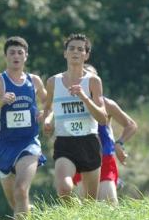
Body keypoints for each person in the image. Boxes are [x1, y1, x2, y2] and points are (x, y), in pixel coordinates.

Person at [0, 36, 47, 220]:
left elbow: (49, 104)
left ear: (26, 56)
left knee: (21, 190)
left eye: (20, 53)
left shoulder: (34, 81)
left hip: (29, 143)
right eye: (12, 52)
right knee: (16, 202)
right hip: (4, 145)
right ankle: (30, 217)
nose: (16, 56)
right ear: (6, 56)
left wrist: (46, 115)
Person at [41, 34, 107, 201]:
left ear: (86, 55)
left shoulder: (93, 81)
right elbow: (48, 109)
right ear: (65, 53)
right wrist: (47, 122)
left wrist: (84, 97)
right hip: (65, 142)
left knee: (90, 202)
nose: (75, 52)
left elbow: (103, 118)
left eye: (80, 49)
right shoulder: (53, 82)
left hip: (89, 141)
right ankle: (72, 213)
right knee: (64, 189)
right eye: (71, 48)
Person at [72, 65, 138, 205]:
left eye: (91, 78)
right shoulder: (71, 104)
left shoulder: (107, 104)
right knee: (86, 209)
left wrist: (119, 143)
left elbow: (131, 125)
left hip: (105, 160)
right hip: (80, 161)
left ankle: (114, 183)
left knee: (109, 207)